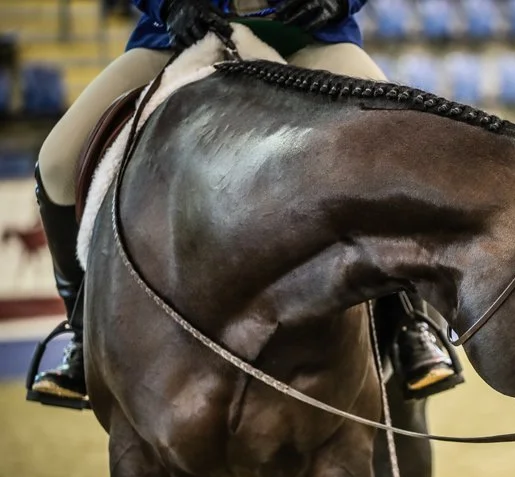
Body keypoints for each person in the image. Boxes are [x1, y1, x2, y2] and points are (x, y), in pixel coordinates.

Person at [30, 0, 462, 405]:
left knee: (391, 145)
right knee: (56, 164)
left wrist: (338, 3)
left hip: (305, 40)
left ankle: (407, 321)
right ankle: (82, 332)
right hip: (178, 41)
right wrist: (168, 7)